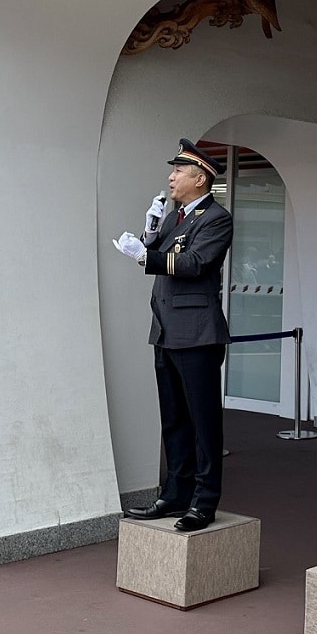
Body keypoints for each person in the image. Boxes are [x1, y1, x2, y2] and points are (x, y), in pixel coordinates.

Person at [113, 138, 233, 531]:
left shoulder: (216, 218)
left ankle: (204, 500)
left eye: (179, 171)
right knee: (174, 419)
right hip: (166, 330)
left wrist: (146, 255)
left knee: (203, 421)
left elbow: (195, 263)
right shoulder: (175, 217)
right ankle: (175, 492)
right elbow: (162, 253)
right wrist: (150, 231)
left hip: (197, 332)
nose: (171, 177)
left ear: (200, 179)